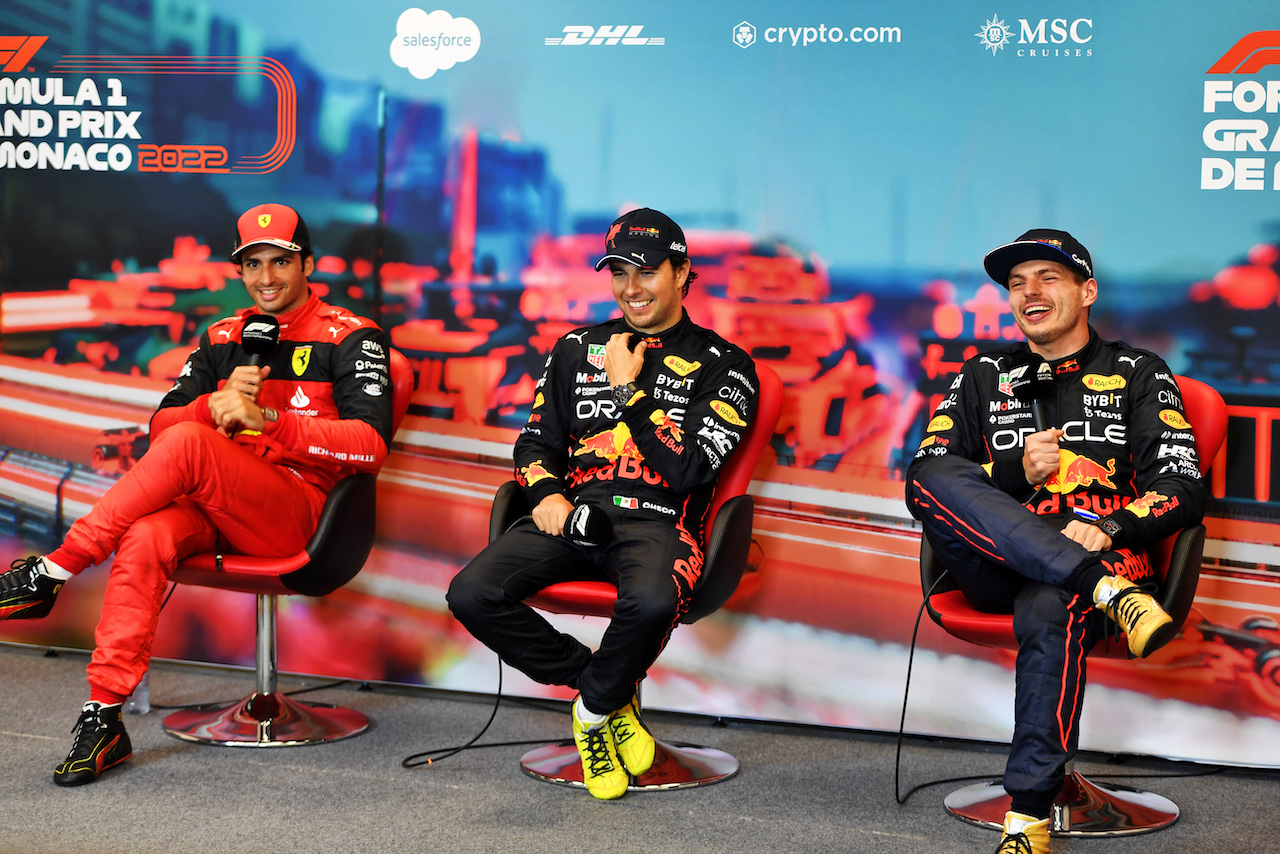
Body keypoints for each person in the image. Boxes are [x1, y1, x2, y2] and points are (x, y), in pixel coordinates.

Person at [0, 203, 394, 786]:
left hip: (306, 516)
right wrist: (211, 405)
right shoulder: (222, 337)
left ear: (307, 263)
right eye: (253, 264)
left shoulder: (352, 336)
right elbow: (161, 430)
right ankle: (104, 717)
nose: (266, 278)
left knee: (190, 444)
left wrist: (267, 420)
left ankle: (54, 570)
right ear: (238, 272)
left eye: (281, 262)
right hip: (222, 503)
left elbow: (370, 446)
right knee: (146, 533)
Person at [904, 229, 1207, 853]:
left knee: (1051, 600)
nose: (1028, 293)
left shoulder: (1139, 373)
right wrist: (1016, 472)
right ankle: (1098, 588)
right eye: (1016, 283)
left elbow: (1182, 485)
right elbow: (931, 473)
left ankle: (1029, 817)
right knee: (926, 474)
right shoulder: (982, 375)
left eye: (1047, 277)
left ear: (1086, 290)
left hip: (1104, 550)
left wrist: (1108, 527)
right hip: (999, 565)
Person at [447, 208, 759, 799]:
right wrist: (544, 493)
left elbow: (690, 469)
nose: (631, 288)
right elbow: (535, 441)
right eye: (619, 272)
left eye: (646, 271)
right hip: (572, 516)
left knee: (650, 601)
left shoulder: (727, 365)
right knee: (470, 593)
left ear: (682, 271)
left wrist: (628, 390)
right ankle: (603, 694)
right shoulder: (573, 348)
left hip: (660, 522)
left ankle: (590, 714)